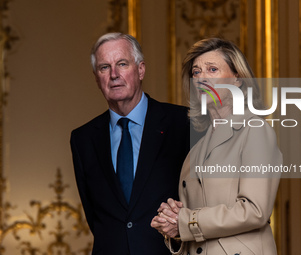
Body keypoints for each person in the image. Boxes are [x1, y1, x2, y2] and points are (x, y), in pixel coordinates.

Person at [151, 38, 282, 255]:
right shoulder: (195, 150)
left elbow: (255, 210)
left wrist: (185, 222)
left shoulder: (255, 131)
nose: (202, 78)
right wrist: (173, 225)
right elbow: (194, 226)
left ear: (237, 79)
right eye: (196, 72)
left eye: (212, 69)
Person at [70, 32, 191, 254]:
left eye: (122, 64)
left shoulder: (183, 123)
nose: (114, 74)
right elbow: (95, 217)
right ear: (97, 78)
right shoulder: (83, 139)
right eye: (104, 67)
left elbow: (198, 200)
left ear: (141, 70)